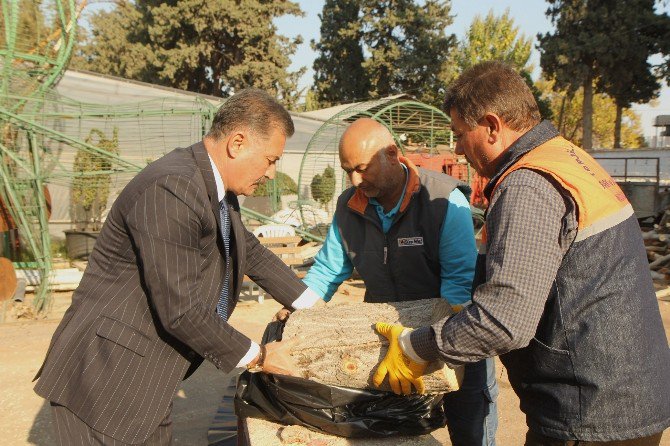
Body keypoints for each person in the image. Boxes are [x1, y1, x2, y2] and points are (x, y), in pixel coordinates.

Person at [372, 61, 670, 445]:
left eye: (461, 134)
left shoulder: (528, 184)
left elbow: (505, 321)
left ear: (493, 126)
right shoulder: (568, 159)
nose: (458, 149)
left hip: (588, 414)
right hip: (633, 397)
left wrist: (416, 346)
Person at [33, 89, 314, 445]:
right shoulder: (173, 187)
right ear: (238, 142)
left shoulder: (213, 188)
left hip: (146, 381)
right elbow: (180, 309)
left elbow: (251, 253)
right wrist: (259, 356)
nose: (272, 174)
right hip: (105, 380)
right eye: (270, 159)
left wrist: (313, 309)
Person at [286, 117, 498, 446]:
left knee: (470, 432)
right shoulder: (348, 207)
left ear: (391, 154)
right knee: (390, 436)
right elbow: (327, 271)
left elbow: (459, 289)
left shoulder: (442, 202)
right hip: (390, 348)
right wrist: (295, 310)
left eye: (361, 168)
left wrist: (428, 347)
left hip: (453, 342)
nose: (354, 179)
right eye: (347, 170)